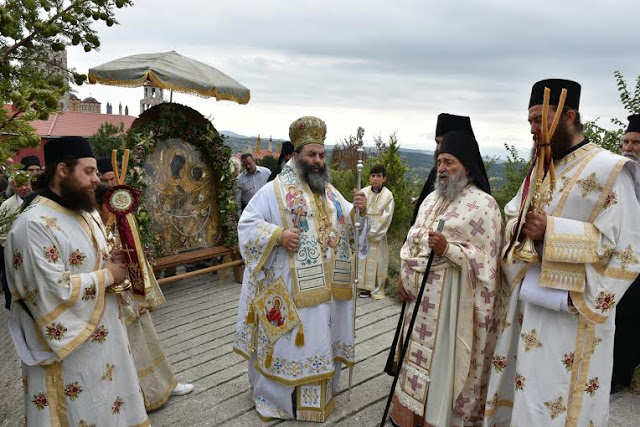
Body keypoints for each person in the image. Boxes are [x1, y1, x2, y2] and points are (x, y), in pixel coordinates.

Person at [484, 79, 640, 426]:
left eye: (540, 119)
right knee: (525, 395)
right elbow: (513, 215)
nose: (533, 129)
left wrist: (550, 233)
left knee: (559, 399)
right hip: (530, 307)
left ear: (568, 116)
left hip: (574, 312)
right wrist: (522, 228)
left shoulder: (610, 170)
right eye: (529, 122)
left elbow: (626, 250)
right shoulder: (540, 167)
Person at [4, 136, 149, 426]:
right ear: (61, 170)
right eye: (89, 171)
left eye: (96, 172)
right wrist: (108, 275)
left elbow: (94, 259)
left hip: (106, 337)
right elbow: (47, 290)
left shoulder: (83, 210)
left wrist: (116, 260)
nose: (96, 179)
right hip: (66, 350)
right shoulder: (33, 224)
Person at [233, 116, 368, 422]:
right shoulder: (274, 191)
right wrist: (278, 236)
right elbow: (247, 225)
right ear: (296, 156)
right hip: (291, 291)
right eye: (312, 154)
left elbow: (348, 222)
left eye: (321, 155)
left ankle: (314, 400)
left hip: (325, 292)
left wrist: (359, 210)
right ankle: (280, 398)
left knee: (321, 339)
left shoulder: (329, 192)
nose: (318, 161)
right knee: (289, 344)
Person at [390, 131, 501, 426]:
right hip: (418, 302)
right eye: (439, 161)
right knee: (413, 360)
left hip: (451, 306)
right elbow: (410, 243)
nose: (441, 167)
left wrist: (449, 249)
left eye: (449, 161)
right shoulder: (429, 200)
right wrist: (403, 277)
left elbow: (489, 265)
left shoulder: (484, 205)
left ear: (466, 166)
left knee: (440, 367)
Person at [94, 183, 194, 410]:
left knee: (147, 341)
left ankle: (166, 385)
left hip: (129, 294)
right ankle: (139, 398)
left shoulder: (119, 225)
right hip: (111, 299)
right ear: (101, 205)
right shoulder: (94, 228)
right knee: (129, 349)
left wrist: (143, 297)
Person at [410, 113, 481, 228]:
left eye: (443, 142)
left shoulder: (483, 202)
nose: (440, 148)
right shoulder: (437, 173)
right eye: (437, 143)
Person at [611, 114, 640, 392]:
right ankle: (617, 375)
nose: (628, 147)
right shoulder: (617, 175)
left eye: (636, 142)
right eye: (626, 141)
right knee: (622, 318)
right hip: (620, 258)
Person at [358, 164, 395, 299]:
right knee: (363, 259)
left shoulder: (388, 195)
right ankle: (362, 287)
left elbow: (387, 216)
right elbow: (356, 210)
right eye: (373, 176)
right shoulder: (363, 192)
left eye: (378, 176)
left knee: (377, 261)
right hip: (363, 232)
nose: (375, 179)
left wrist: (373, 232)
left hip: (378, 235)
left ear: (384, 178)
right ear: (369, 178)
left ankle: (375, 287)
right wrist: (362, 229)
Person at [0, 171, 32, 309]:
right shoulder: (7, 206)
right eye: (19, 185)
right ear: (13, 187)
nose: (24, 188)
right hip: (15, 255)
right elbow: (3, 234)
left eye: (26, 184)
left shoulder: (40, 200)